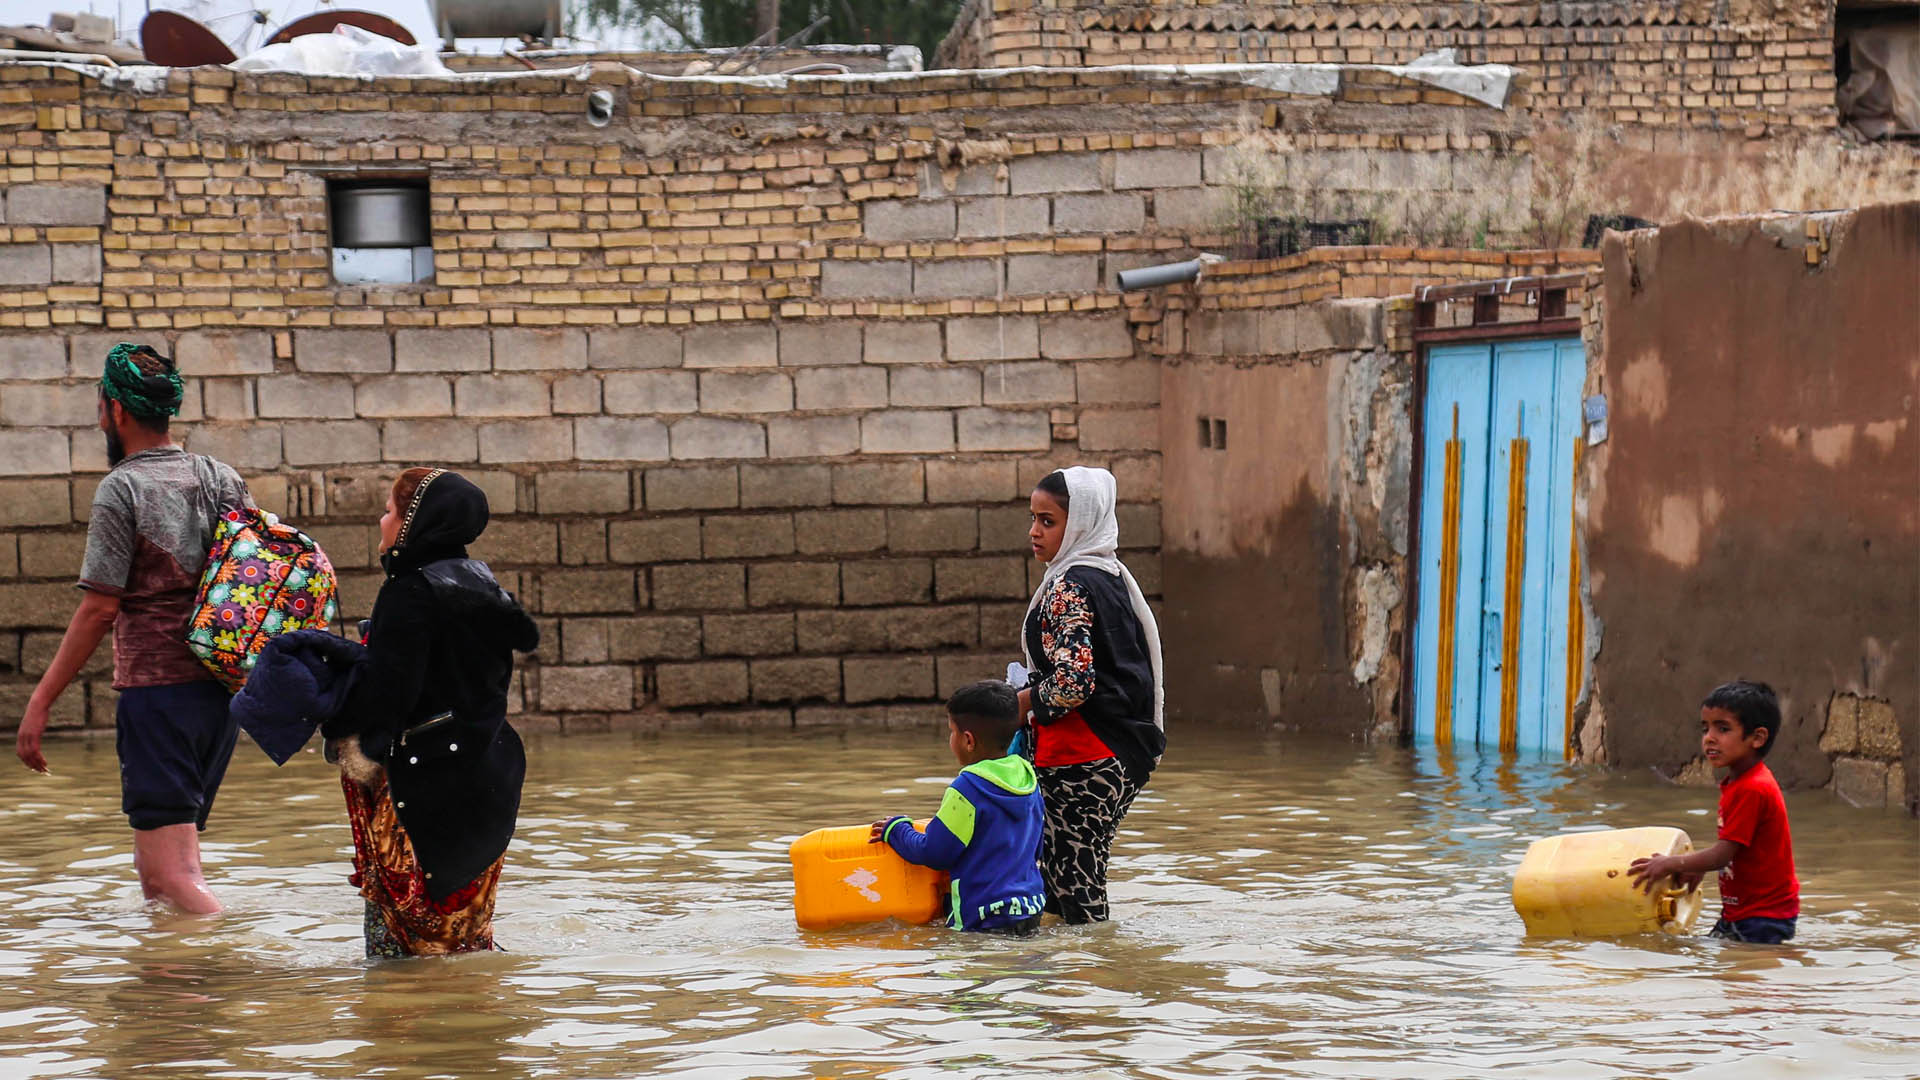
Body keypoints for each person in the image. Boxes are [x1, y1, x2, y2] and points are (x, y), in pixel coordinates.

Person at [14, 343, 251, 914]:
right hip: (219, 698)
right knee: (163, 875)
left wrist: (40, 701)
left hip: (158, 696)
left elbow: (99, 608)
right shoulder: (221, 477)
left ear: (115, 410)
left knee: (170, 877)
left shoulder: (122, 488)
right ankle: (175, 993)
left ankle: (239, 962)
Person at [322, 467, 539, 958]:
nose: (382, 521)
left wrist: (336, 715)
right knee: (464, 940)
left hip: (422, 788)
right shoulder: (481, 582)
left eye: (389, 511)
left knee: (407, 957)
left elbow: (389, 699)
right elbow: (515, 645)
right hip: (487, 778)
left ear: (413, 523)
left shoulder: (410, 592)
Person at [1015, 466, 1165, 924]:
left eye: (1048, 521)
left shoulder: (1070, 586)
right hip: (1115, 749)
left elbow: (1074, 684)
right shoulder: (1108, 576)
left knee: (1074, 889)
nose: (1034, 532)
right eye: (1034, 518)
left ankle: (1093, 983)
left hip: (1084, 756)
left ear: (1079, 522)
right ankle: (1081, 984)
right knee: (1066, 881)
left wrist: (1014, 705)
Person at [1629, 680, 1800, 944]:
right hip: (1744, 912)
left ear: (1757, 737)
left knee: (1742, 979)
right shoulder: (1740, 782)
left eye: (1723, 729)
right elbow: (1735, 846)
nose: (1709, 737)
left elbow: (1722, 855)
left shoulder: (1753, 788)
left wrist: (1669, 863)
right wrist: (1700, 865)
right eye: (1705, 728)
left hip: (1763, 918)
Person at [870, 680, 1046, 934]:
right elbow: (1037, 847)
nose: (950, 739)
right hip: (1030, 908)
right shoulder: (1028, 777)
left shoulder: (968, 788)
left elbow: (934, 853)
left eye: (951, 731)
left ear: (968, 740)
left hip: (983, 918)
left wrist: (896, 829)